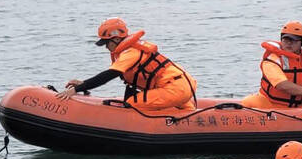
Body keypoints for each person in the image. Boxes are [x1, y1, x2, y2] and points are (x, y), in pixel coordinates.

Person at [56, 17, 197, 110]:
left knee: (132, 104)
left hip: (173, 89)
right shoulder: (131, 50)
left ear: (116, 39)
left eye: (107, 43)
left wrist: (77, 89)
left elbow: (109, 75)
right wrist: (83, 83)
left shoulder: (131, 52)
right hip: (181, 85)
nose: (106, 47)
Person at [241, 21, 302, 109]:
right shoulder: (272, 60)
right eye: (286, 39)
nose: (289, 43)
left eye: (294, 40)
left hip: (297, 106)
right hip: (268, 104)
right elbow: (282, 85)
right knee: (247, 103)